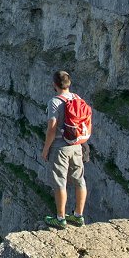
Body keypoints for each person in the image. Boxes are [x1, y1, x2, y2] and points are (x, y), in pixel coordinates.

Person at [41, 70, 87, 229]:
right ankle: (78, 216)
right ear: (69, 83)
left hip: (60, 148)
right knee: (79, 180)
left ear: (54, 85)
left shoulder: (55, 101)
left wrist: (46, 148)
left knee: (60, 182)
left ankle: (60, 218)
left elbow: (52, 127)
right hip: (77, 146)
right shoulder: (77, 98)